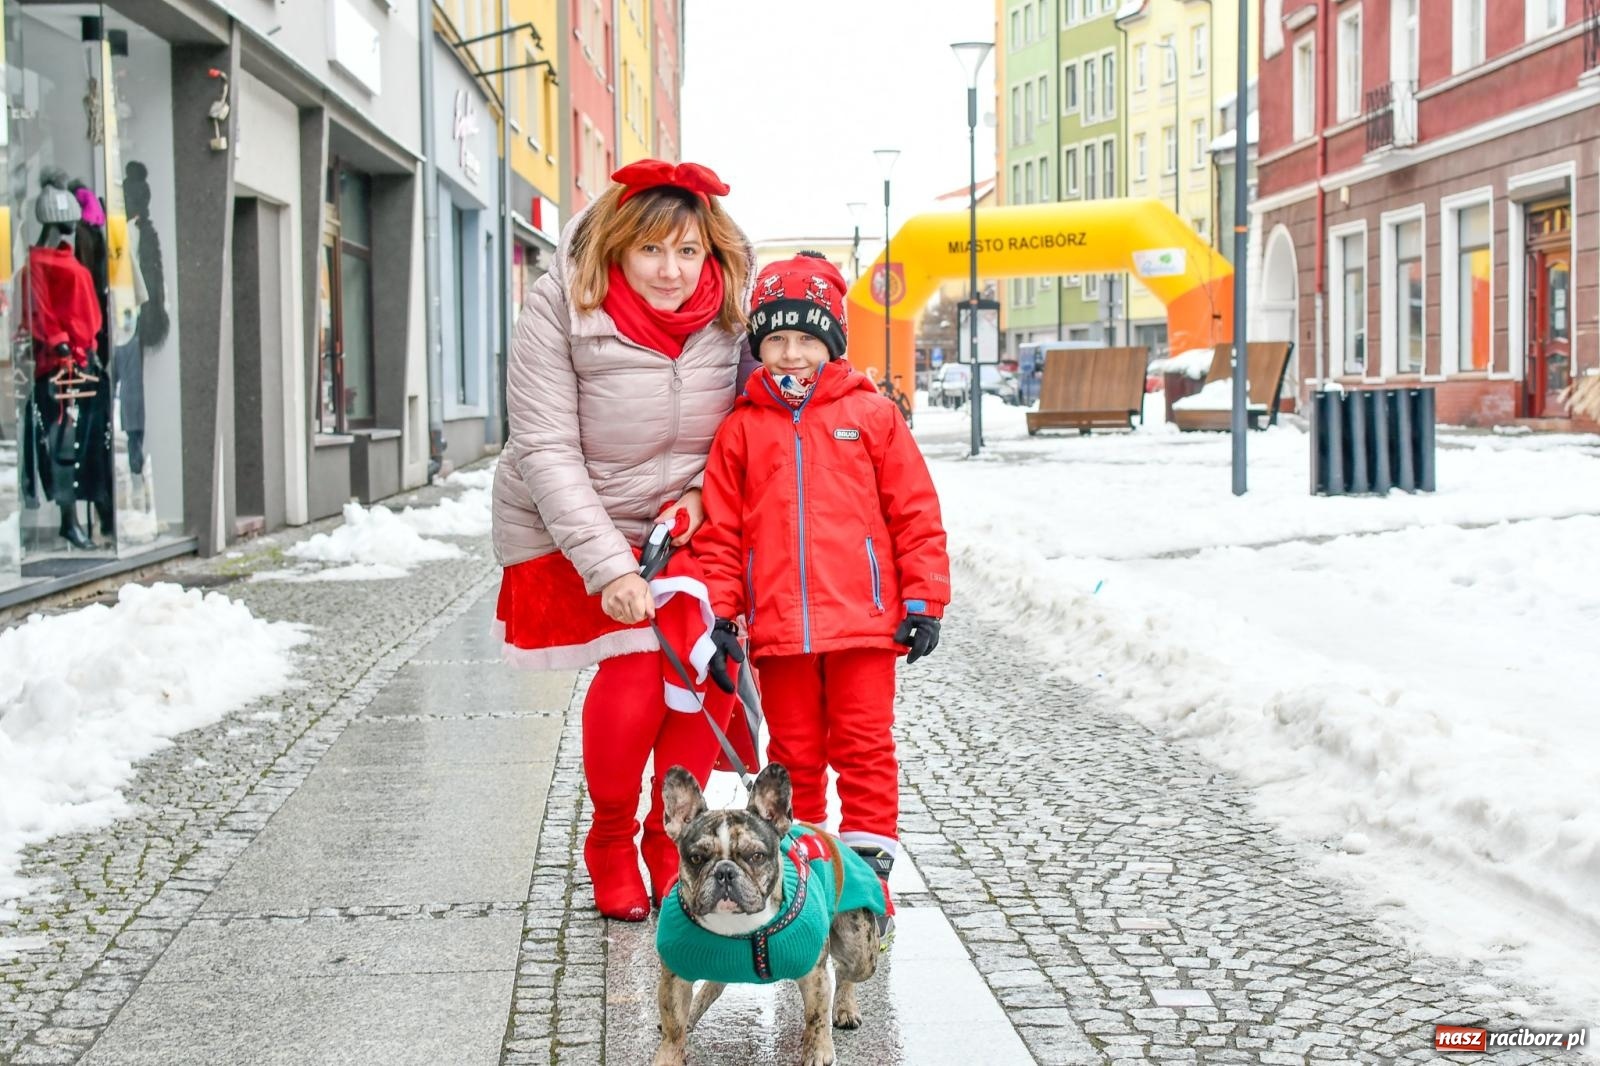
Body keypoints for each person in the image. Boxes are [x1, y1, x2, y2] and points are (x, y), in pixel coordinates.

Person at [491, 160, 754, 922]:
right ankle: (609, 839)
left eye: (688, 251)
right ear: (616, 246)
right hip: (581, 518)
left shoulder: (733, 306)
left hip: (688, 520)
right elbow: (543, 446)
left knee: (708, 668)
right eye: (651, 250)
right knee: (637, 671)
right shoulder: (561, 304)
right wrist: (610, 568)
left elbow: (753, 413)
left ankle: (667, 840)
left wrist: (704, 496)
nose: (672, 271)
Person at [694, 252, 950, 943]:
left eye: (807, 338)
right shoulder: (741, 429)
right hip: (779, 632)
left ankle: (865, 890)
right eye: (776, 339)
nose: (791, 354)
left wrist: (923, 600)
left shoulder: (871, 415)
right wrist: (723, 615)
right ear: (758, 346)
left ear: (831, 341)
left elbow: (914, 514)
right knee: (794, 758)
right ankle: (803, 880)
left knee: (865, 749)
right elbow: (721, 534)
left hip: (864, 625)